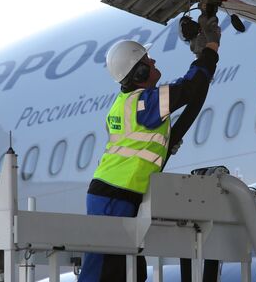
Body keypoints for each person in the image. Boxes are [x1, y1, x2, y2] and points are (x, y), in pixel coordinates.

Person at [78, 15, 221, 282]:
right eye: (147, 61)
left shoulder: (131, 103)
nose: (154, 62)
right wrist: (209, 50)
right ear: (140, 73)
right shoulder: (144, 103)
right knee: (103, 271)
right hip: (115, 194)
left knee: (131, 271)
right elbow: (190, 89)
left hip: (119, 193)